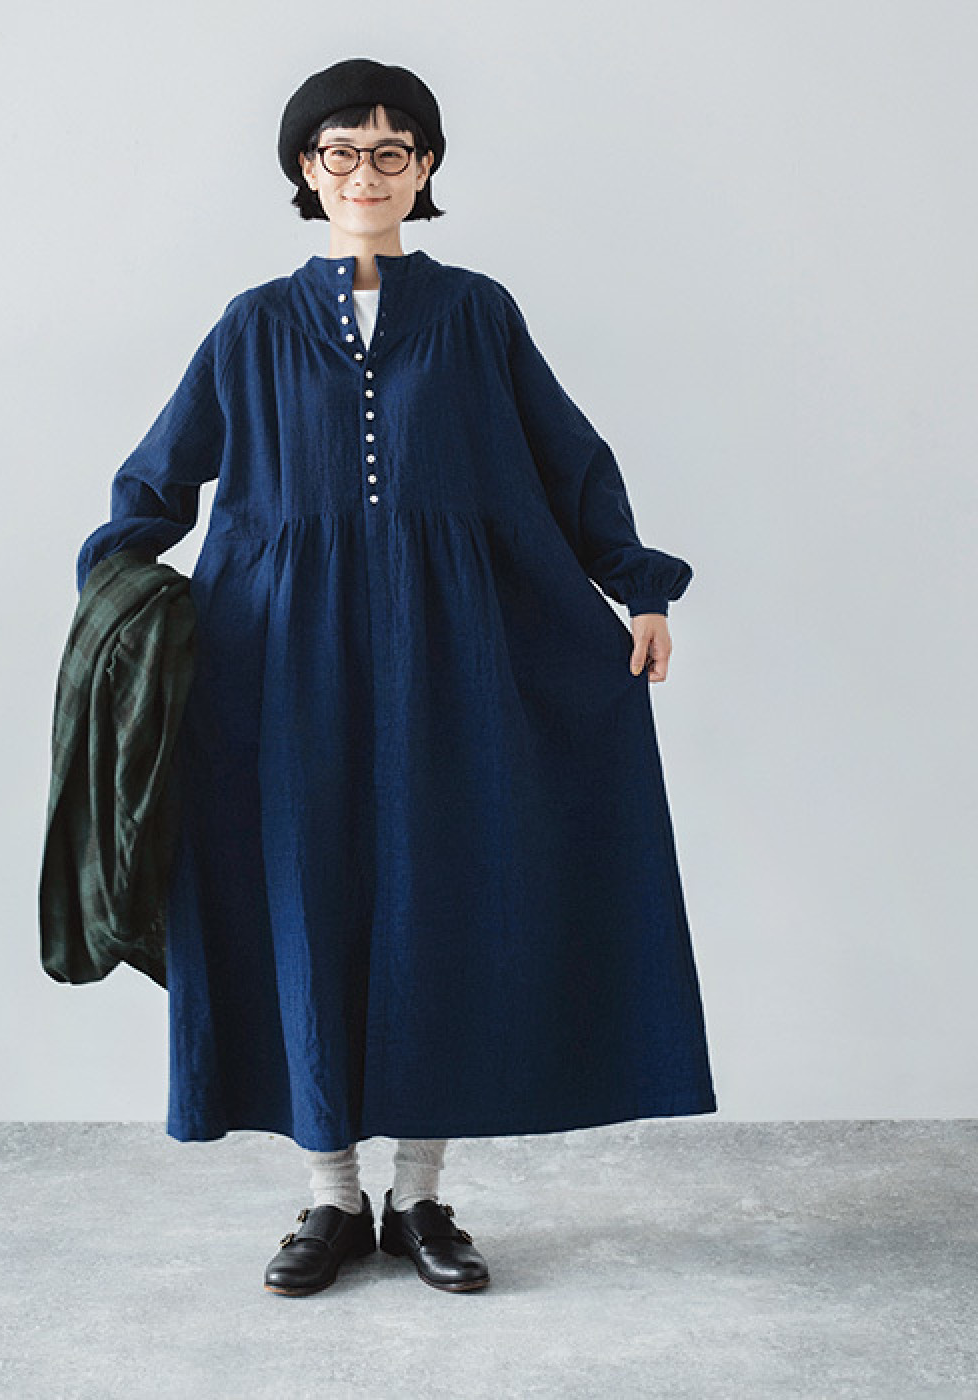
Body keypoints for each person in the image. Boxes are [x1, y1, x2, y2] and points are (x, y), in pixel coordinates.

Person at [74, 57, 717, 1297]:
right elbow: (156, 481)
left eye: (391, 150)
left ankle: (419, 1193)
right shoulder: (251, 326)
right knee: (302, 902)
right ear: (305, 171)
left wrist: (637, 586)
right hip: (277, 664)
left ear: (423, 171)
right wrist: (113, 592)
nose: (365, 171)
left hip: (455, 652)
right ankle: (330, 1196)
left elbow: (569, 460)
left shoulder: (477, 314)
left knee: (444, 896)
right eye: (341, 150)